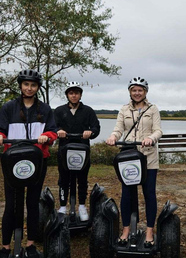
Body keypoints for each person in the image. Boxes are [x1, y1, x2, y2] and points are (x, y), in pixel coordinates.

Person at [0, 69, 57, 258]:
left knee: (32, 202)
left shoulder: (45, 109)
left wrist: (47, 136)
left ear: (37, 88)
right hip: (13, 161)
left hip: (38, 160)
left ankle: (31, 244)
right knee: (11, 204)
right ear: (20, 85)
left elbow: (53, 132)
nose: (29, 88)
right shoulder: (9, 107)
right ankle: (5, 247)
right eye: (26, 84)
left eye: (33, 85)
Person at [106, 77, 162, 247]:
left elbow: (158, 130)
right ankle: (126, 229)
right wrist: (113, 137)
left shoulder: (153, 109)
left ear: (145, 92)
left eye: (140, 90)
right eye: (134, 90)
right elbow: (118, 128)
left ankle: (150, 231)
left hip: (148, 158)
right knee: (127, 194)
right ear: (130, 92)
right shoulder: (124, 109)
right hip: (129, 157)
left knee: (149, 194)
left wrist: (150, 138)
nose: (137, 93)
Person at [53, 81, 101, 220]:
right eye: (71, 93)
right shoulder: (60, 110)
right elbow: (52, 127)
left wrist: (90, 132)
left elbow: (96, 128)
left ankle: (81, 205)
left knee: (82, 179)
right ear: (67, 95)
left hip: (82, 150)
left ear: (80, 95)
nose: (74, 96)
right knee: (63, 179)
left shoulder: (88, 111)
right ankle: (62, 206)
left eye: (76, 93)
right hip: (64, 149)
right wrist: (58, 131)